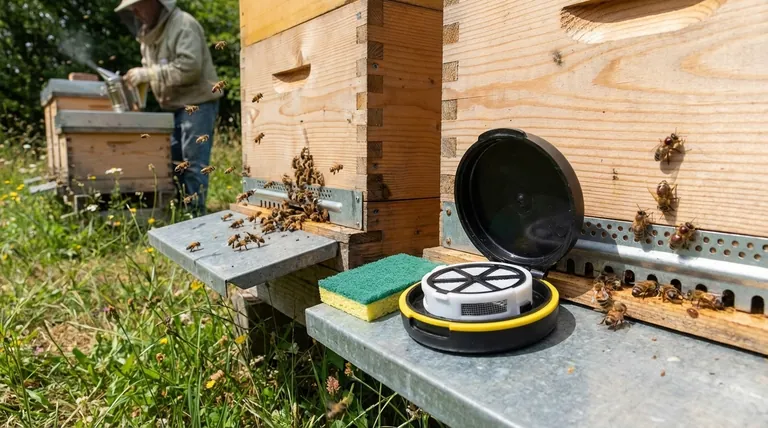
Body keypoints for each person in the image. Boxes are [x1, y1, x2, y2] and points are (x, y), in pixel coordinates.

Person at [115, 0, 222, 214]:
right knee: (174, 161)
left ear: (156, 3)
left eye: (139, 5)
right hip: (172, 106)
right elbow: (151, 72)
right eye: (131, 8)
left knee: (192, 162)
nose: (135, 11)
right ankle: (180, 210)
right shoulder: (147, 37)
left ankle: (195, 214)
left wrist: (149, 74)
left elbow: (190, 67)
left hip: (197, 102)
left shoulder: (183, 24)